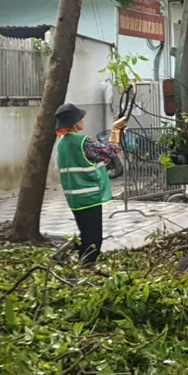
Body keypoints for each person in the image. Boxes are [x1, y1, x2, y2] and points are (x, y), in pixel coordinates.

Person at [55, 103, 125, 266]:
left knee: (85, 234)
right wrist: (115, 131)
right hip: (89, 196)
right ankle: (86, 267)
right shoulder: (83, 141)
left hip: (74, 198)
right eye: (80, 118)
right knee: (94, 239)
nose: (83, 120)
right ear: (74, 123)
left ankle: (73, 259)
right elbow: (109, 152)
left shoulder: (62, 142)